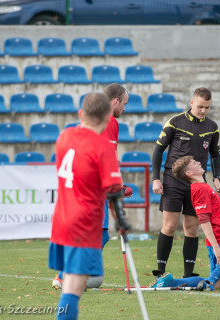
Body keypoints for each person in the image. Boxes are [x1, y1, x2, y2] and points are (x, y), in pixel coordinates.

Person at [48, 93, 125, 320]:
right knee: (74, 286)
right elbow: (113, 190)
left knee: (71, 283)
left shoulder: (63, 137)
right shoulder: (103, 146)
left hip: (61, 219)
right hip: (85, 222)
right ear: (106, 118)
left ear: (81, 114)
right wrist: (121, 220)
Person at [151, 87, 220, 279]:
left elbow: (215, 154)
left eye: (207, 107)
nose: (203, 111)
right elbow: (158, 150)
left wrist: (217, 178)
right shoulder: (175, 122)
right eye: (200, 106)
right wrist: (156, 178)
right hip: (173, 181)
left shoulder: (212, 127)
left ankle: (188, 274)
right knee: (169, 226)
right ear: (191, 103)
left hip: (197, 184)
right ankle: (161, 272)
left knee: (192, 227)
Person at [149, 155, 220, 291]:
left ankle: (171, 282)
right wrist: (216, 247)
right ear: (189, 173)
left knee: (219, 284)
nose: (198, 162)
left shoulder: (202, 186)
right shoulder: (200, 189)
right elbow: (204, 220)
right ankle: (209, 283)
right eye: (194, 163)